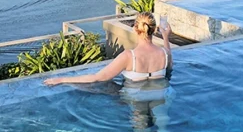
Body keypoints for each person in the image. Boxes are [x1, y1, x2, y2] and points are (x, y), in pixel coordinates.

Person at [44, 12, 172, 86]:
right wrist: (165, 37)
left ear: (135, 28)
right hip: (159, 94)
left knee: (140, 129)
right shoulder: (165, 54)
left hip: (136, 97)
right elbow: (170, 66)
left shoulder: (128, 56)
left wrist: (61, 79)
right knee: (163, 128)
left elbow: (97, 77)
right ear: (154, 30)